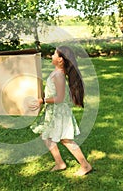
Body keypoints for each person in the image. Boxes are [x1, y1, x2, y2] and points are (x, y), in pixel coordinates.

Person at [30, 46, 92, 176]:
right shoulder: (56, 72)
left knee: (66, 139)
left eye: (54, 54)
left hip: (59, 112)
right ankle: (60, 163)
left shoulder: (59, 75)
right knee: (46, 135)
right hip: (52, 111)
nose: (52, 56)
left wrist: (42, 100)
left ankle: (85, 165)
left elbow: (59, 97)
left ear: (60, 60)